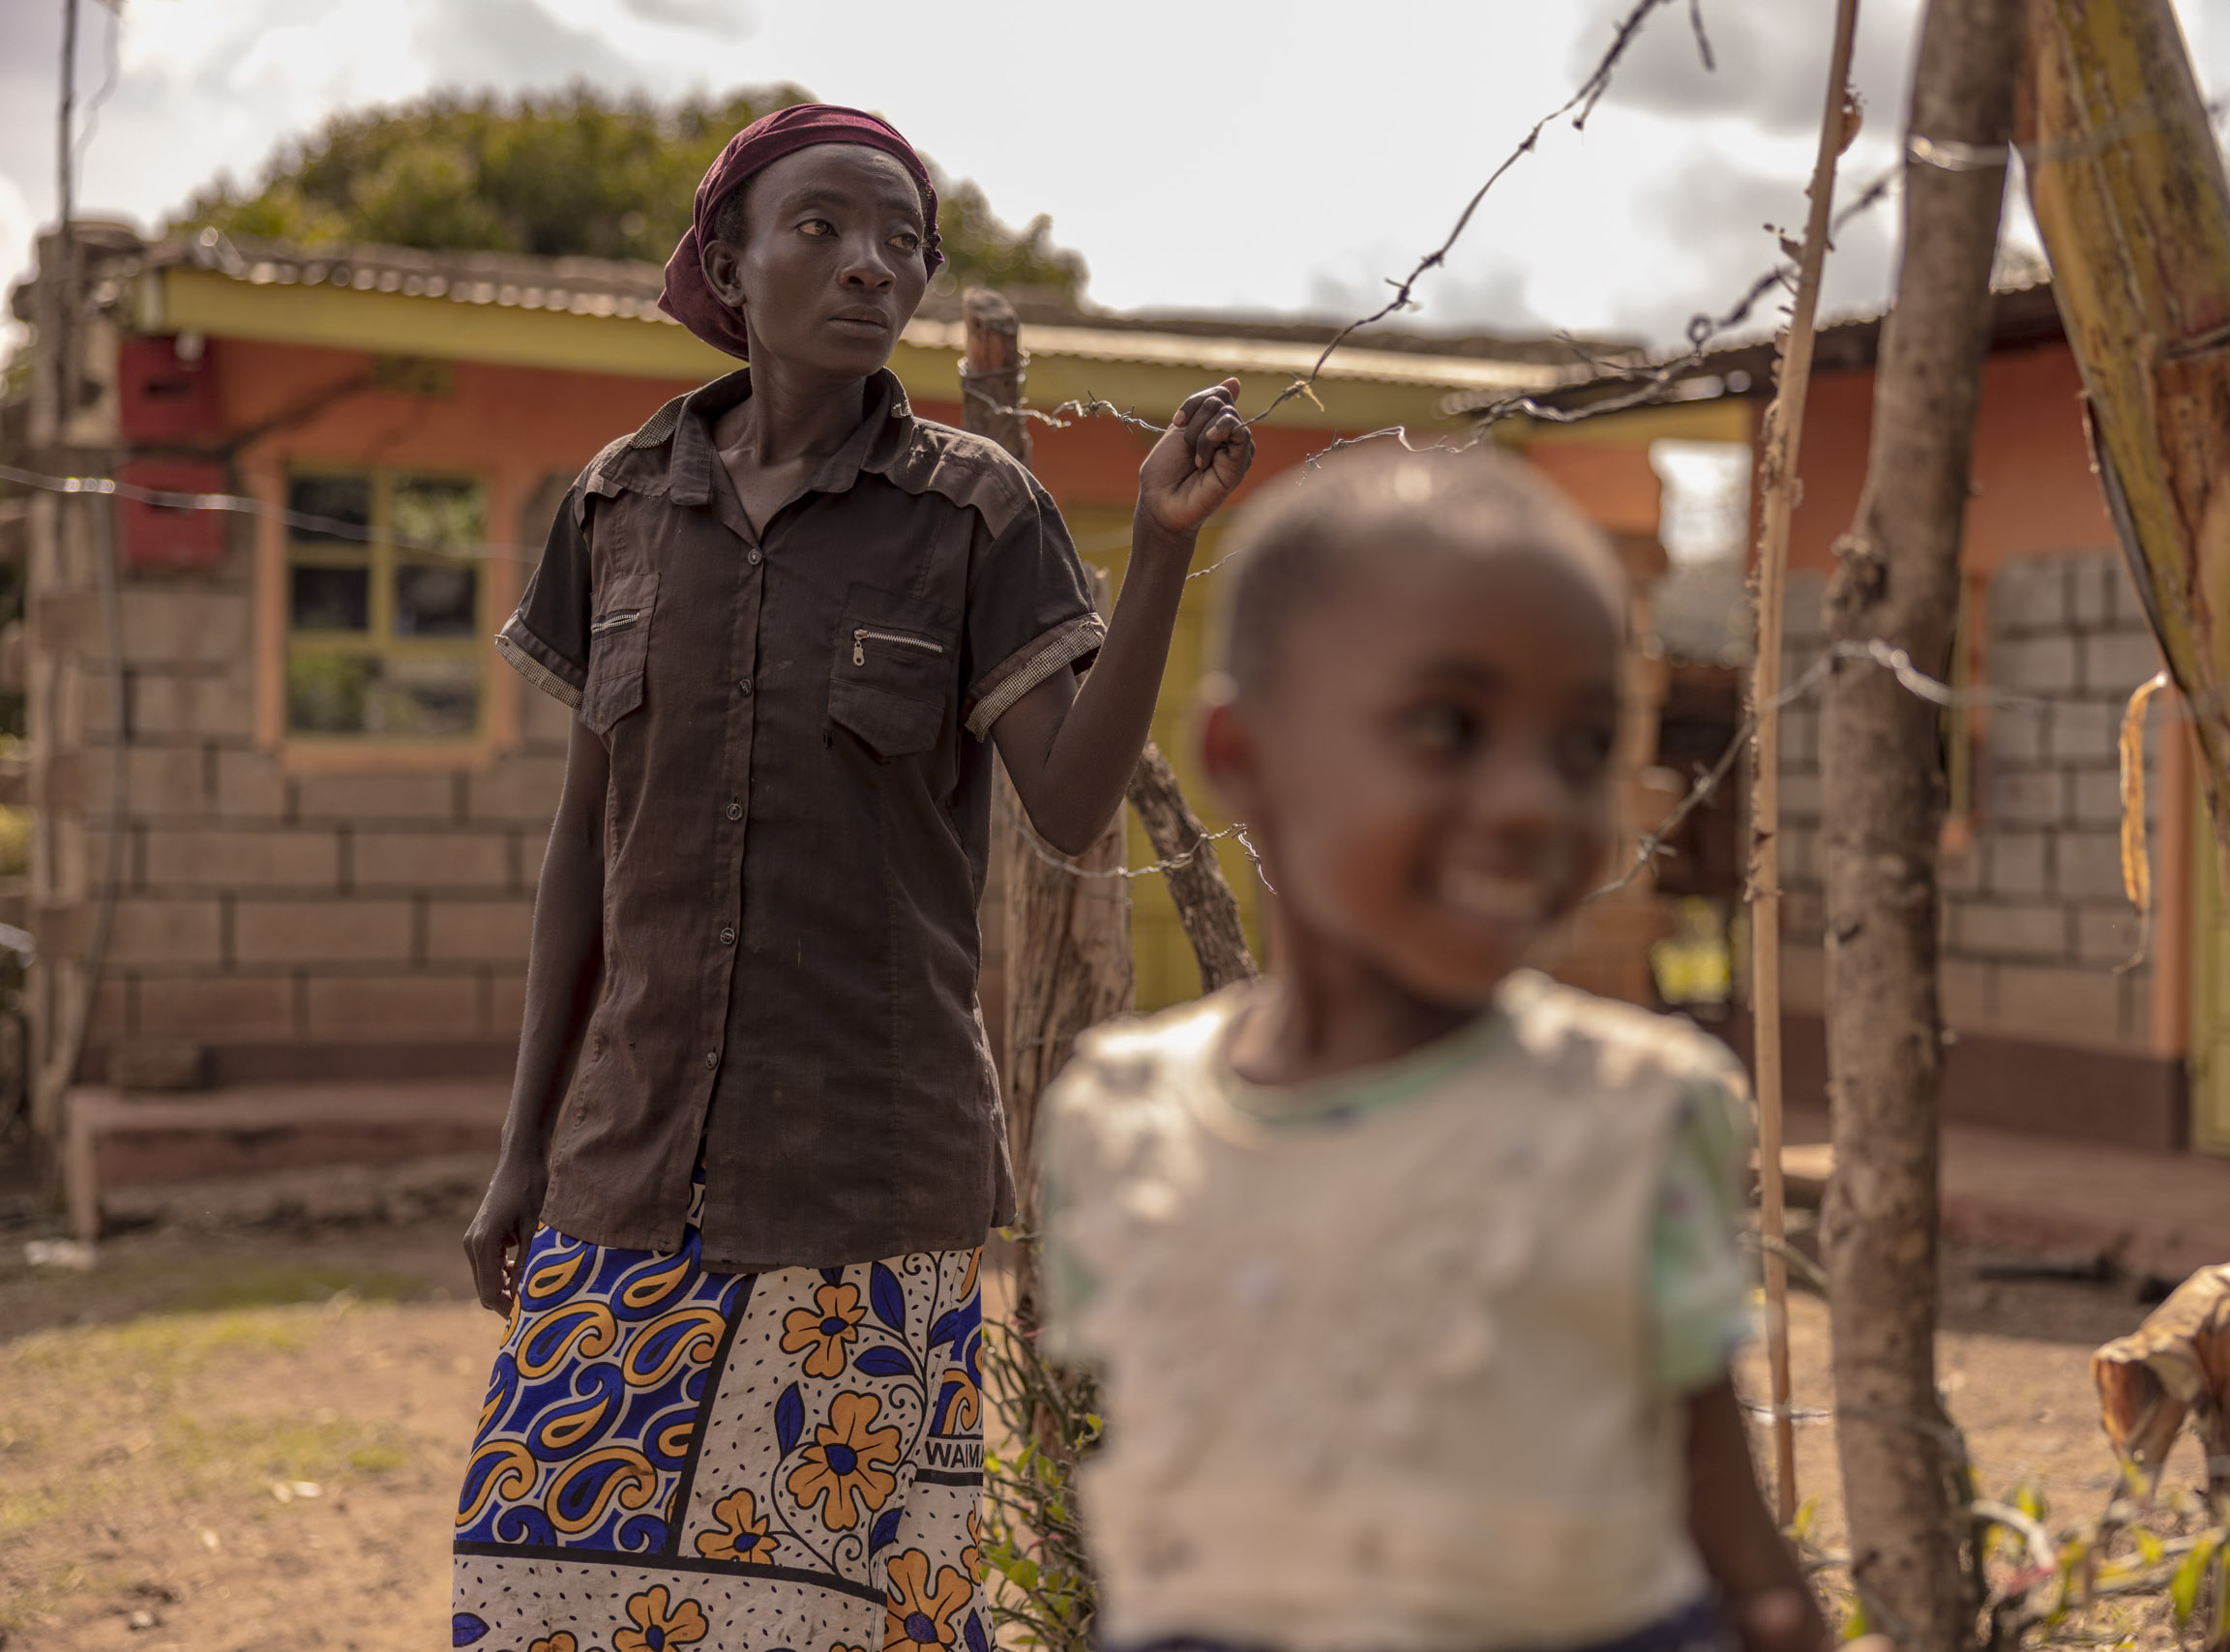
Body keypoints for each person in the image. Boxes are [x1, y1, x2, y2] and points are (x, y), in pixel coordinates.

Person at [450, 103, 1252, 1652]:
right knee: (538, 1586)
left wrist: (1155, 548)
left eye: (904, 244)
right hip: (620, 1183)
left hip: (862, 1198)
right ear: (729, 266)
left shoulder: (975, 514)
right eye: (820, 226)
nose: (871, 265)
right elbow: (584, 850)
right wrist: (521, 1148)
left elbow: (1074, 808)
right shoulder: (618, 503)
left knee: (827, 1622)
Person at [1036, 449, 1841, 1652]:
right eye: (1446, 725)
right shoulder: (1117, 1124)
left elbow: (1735, 1542)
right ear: (1244, 757)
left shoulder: (1630, 1114)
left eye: (1580, 746)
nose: (1529, 801)